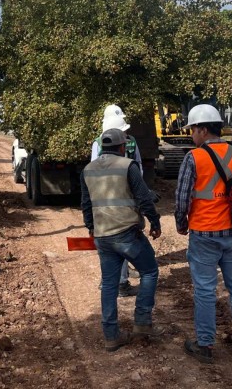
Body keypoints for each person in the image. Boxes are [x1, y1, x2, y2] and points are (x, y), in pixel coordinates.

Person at [175, 104, 232, 364]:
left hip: (205, 233)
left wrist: (180, 222)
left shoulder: (194, 157)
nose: (191, 135)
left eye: (193, 130)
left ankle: (205, 344)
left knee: (205, 291)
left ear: (202, 129)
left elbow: (182, 197)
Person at [81, 128, 163, 352]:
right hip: (127, 233)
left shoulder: (88, 170)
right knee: (149, 271)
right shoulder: (128, 166)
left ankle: (111, 336)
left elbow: (86, 205)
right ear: (121, 147)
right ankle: (142, 322)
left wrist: (91, 228)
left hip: (102, 236)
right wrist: (155, 223)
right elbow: (143, 198)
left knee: (109, 283)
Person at [91, 104, 142, 297]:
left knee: (108, 239)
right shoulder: (132, 142)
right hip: (127, 198)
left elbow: (92, 170)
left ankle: (112, 281)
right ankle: (119, 281)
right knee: (124, 236)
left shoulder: (98, 143)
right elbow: (139, 168)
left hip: (104, 198)